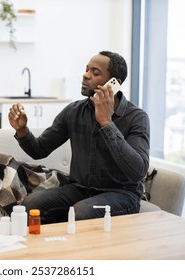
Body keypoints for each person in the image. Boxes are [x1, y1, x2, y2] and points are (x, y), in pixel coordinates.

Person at [8, 50, 150, 223]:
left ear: (114, 84)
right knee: (31, 204)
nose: (85, 75)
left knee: (82, 211)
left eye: (95, 72)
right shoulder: (74, 111)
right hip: (80, 189)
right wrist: (22, 130)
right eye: (86, 69)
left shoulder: (136, 117)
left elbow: (138, 171)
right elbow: (40, 149)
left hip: (121, 194)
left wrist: (106, 123)